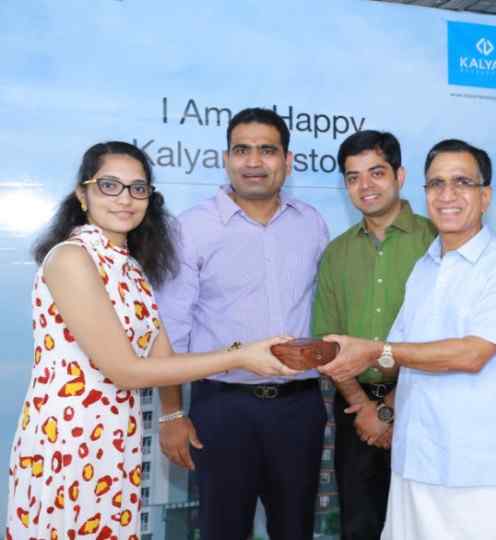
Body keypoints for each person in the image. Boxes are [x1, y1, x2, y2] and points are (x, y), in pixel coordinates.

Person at [5, 141, 294, 539]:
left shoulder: (130, 268)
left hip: (115, 439)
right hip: (69, 440)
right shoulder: (72, 257)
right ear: (82, 194)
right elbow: (126, 371)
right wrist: (240, 357)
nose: (125, 199)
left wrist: (240, 353)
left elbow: (164, 359)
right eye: (109, 185)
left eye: (138, 188)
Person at [319, 139, 496, 540]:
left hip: (478, 470)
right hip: (416, 462)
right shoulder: (424, 267)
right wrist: (379, 408)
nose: (447, 194)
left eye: (462, 182)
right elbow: (402, 358)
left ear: (485, 196)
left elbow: (473, 354)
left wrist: (374, 350)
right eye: (436, 184)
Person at [156, 108, 330, 540]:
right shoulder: (190, 228)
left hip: (299, 408)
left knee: (296, 530)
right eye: (242, 150)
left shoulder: (312, 223)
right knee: (223, 530)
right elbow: (170, 331)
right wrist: (172, 413)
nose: (254, 162)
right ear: (226, 159)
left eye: (267, 150)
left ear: (287, 161)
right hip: (223, 409)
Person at [311, 130, 435, 539]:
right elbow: (327, 344)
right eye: (353, 177)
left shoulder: (437, 241)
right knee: (360, 526)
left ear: (400, 175)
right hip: (355, 410)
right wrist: (365, 407)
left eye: (376, 172)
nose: (365, 185)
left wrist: (388, 410)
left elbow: (448, 337)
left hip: (427, 399)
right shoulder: (337, 253)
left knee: (425, 523)